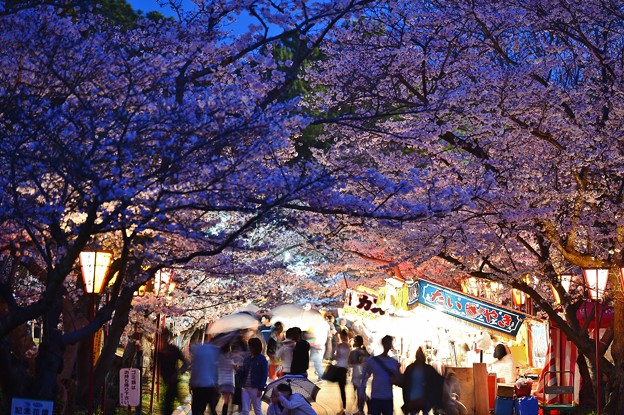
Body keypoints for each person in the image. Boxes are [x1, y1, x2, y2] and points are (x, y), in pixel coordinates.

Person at [356, 335, 401, 415]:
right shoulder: (392, 362)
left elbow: (364, 378)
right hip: (383, 397)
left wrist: (361, 392)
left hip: (380, 397)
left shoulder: (375, 361)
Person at [401, 347, 444, 415]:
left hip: (412, 398)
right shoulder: (428, 368)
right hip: (425, 398)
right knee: (425, 412)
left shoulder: (410, 368)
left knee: (413, 413)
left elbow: (405, 383)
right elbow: (438, 380)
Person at [157, 328, 189, 415]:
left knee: (168, 403)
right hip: (166, 381)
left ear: (168, 337)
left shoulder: (174, 349)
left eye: (165, 336)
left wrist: (178, 373)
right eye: (161, 336)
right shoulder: (159, 352)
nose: (163, 338)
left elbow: (186, 363)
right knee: (168, 403)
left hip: (173, 380)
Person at [189, 333, 220, 415]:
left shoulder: (198, 349)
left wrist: (191, 382)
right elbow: (216, 369)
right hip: (210, 385)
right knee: (212, 409)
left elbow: (195, 367)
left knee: (197, 410)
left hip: (198, 385)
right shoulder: (216, 351)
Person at [239, 337, 269, 415]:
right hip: (245, 387)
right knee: (245, 410)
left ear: (255, 347)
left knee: (257, 409)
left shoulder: (262, 359)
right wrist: (237, 369)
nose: (249, 348)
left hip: (255, 388)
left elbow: (264, 375)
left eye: (250, 346)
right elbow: (244, 372)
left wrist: (260, 388)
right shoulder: (247, 359)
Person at [349, 335, 370, 413]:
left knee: (359, 393)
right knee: (361, 392)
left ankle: (360, 409)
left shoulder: (354, 352)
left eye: (354, 341)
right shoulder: (366, 352)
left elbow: (350, 363)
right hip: (364, 374)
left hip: (356, 374)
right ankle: (362, 407)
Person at [333, 330, 351, 415]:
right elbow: (349, 358)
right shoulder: (349, 346)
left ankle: (343, 408)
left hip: (339, 368)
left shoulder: (339, 346)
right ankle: (344, 407)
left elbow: (337, 357)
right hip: (345, 368)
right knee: (343, 389)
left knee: (341, 389)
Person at [218, 342, 236, 415]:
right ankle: (226, 413)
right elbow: (235, 368)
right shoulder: (230, 360)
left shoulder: (220, 360)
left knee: (227, 400)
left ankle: (228, 412)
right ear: (228, 350)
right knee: (227, 401)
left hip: (222, 382)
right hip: (228, 383)